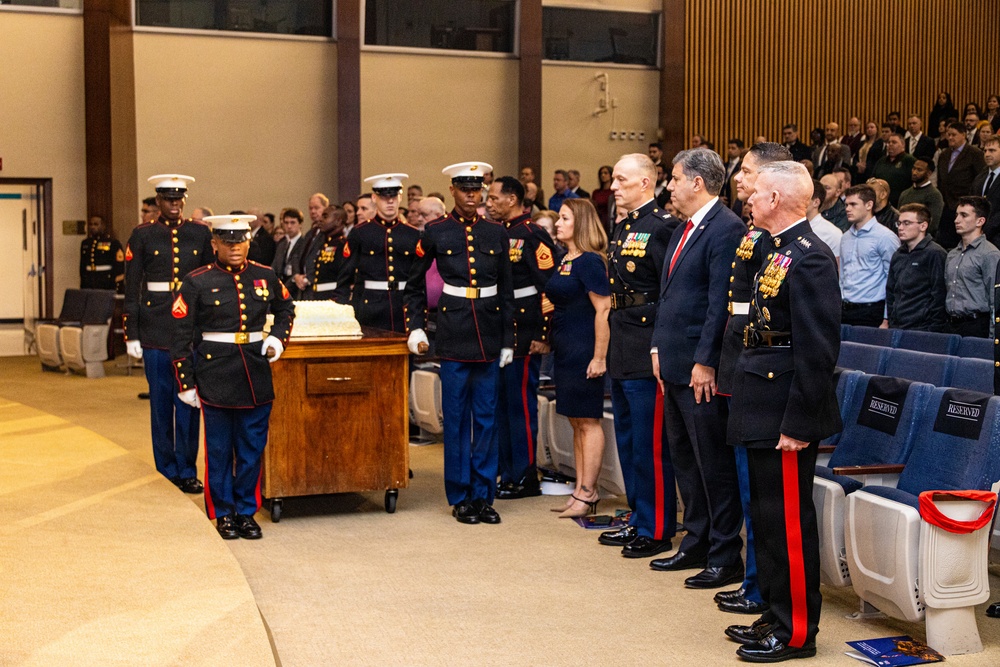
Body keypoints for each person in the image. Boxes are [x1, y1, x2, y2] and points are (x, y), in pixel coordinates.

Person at [725, 161, 842, 663]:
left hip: (786, 407)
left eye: (757, 192)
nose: (748, 197)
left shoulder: (811, 258)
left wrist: (797, 423)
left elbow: (817, 351)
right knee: (768, 519)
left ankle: (797, 631)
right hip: (761, 395)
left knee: (790, 522)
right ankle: (775, 612)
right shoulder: (777, 251)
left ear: (776, 200)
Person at [649, 148, 746, 590]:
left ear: (697, 182)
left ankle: (725, 555)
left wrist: (705, 361)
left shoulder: (726, 228)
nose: (668, 185)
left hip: (699, 368)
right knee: (685, 459)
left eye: (673, 177)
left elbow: (718, 304)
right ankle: (697, 541)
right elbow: (668, 295)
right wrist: (657, 346)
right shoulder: (683, 228)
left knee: (712, 464)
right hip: (673, 362)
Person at [170, 215, 295, 539]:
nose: (235, 248)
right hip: (215, 373)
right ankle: (223, 513)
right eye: (227, 242)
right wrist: (186, 383)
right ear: (214, 245)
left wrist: (277, 338)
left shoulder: (264, 275)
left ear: (249, 242)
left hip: (254, 371)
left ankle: (246, 511)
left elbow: (286, 309)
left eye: (240, 241)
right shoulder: (197, 281)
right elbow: (180, 333)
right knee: (220, 450)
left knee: (252, 448)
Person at [404, 161, 514, 525]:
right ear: (452, 190)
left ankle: (484, 495)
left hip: (489, 331)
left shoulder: (496, 232)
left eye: (477, 187)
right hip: (453, 332)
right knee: (456, 419)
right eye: (465, 188)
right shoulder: (436, 231)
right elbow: (414, 284)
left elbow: (508, 288)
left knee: (486, 419)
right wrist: (417, 327)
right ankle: (461, 494)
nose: (472, 194)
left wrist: (509, 339)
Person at [714, 141, 791, 616]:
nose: (738, 179)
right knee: (747, 491)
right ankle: (753, 581)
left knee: (760, 496)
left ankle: (762, 586)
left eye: (746, 172)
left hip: (759, 370)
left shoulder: (777, 243)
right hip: (739, 365)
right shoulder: (751, 232)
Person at [599, 153, 679, 558]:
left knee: (651, 444)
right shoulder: (624, 225)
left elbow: (669, 293)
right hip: (622, 338)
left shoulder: (663, 228)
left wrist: (658, 345)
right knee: (629, 439)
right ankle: (638, 516)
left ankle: (657, 525)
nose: (613, 187)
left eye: (621, 180)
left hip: (646, 341)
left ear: (646, 183)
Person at [124, 174, 214, 494]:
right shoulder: (143, 234)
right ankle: (166, 467)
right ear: (158, 201)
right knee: (161, 401)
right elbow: (131, 286)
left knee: (188, 402)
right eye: (168, 200)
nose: (174, 205)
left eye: (179, 200)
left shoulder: (200, 233)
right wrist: (131, 332)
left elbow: (209, 281)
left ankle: (187, 468)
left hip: (191, 328)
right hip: (155, 327)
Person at [485, 176, 557, 500]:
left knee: (521, 408)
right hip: (503, 332)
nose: (488, 202)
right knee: (502, 406)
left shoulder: (531, 235)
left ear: (512, 199)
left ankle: (526, 475)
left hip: (527, 333)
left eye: (494, 197)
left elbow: (549, 288)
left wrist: (544, 334)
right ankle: (507, 471)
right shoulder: (500, 234)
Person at [544, 198, 610, 516]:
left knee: (588, 420)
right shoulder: (566, 259)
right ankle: (580, 488)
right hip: (565, 348)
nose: (558, 223)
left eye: (565, 218)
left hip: (585, 348)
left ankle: (589, 491)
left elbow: (603, 309)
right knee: (575, 421)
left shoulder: (590, 261)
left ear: (580, 223)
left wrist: (599, 357)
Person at [333, 174, 421, 333]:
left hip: (403, 308)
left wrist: (419, 317)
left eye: (394, 196)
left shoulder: (412, 234)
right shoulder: (361, 233)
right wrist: (342, 312)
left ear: (400, 197)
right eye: (384, 197)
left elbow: (418, 281)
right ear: (374, 198)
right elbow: (345, 277)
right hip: (370, 308)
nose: (390, 201)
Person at [839, 184, 900, 327]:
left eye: (853, 204)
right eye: (846, 204)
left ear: (869, 205)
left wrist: (886, 318)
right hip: (844, 309)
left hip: (871, 311)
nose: (847, 209)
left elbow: (893, 279)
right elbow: (842, 275)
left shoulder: (885, 237)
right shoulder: (845, 237)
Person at [944, 196, 1000, 337]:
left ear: (980, 221)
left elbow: (995, 300)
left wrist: (993, 336)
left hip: (977, 325)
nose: (957, 220)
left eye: (964, 215)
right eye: (957, 215)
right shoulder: (952, 254)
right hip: (951, 324)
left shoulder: (990, 254)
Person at [886, 203, 947, 331]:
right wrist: (891, 320)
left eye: (907, 223)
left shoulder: (935, 253)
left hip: (923, 328)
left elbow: (939, 294)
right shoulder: (898, 254)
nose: (900, 228)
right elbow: (891, 290)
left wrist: (934, 328)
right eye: (899, 223)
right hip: (897, 326)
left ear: (923, 226)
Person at [937, 121, 987, 248]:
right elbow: (940, 180)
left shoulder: (974, 153)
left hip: (965, 205)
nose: (950, 137)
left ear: (963, 135)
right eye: (948, 134)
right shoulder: (944, 154)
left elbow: (980, 178)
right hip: (946, 206)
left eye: (954, 134)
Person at [308, 205, 349, 300]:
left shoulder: (343, 245)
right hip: (319, 296)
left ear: (338, 221)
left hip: (334, 296)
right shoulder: (325, 244)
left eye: (325, 217)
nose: (320, 220)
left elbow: (346, 275)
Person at [293, 192, 330, 293]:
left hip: (318, 285)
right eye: (310, 208)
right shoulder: (310, 233)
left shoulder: (328, 233)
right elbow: (297, 255)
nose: (313, 211)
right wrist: (296, 275)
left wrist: (308, 278)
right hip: (304, 287)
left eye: (317, 208)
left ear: (326, 208)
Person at [898, 157, 945, 235]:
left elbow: (933, 225)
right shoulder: (905, 193)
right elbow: (899, 217)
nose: (914, 172)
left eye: (919, 170)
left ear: (929, 173)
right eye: (914, 168)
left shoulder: (934, 195)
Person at [871, 128, 917, 207]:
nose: (890, 144)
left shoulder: (909, 160)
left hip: (902, 203)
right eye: (889, 142)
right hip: (881, 202)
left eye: (894, 142)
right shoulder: (881, 160)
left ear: (903, 145)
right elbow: (872, 179)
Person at [80, 215, 124, 291]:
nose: (93, 227)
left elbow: (119, 265)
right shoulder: (86, 243)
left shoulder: (113, 243)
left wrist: (115, 281)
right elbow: (82, 265)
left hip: (106, 280)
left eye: (96, 224)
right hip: (89, 280)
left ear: (103, 226)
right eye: (91, 224)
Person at [973, 136, 1000, 245]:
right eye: (985, 151)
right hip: (979, 237)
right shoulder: (980, 176)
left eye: (992, 150)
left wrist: (986, 229)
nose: (987, 154)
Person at [807, 179, 843, 262]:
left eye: (803, 198)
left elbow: (836, 269)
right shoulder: (788, 225)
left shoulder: (832, 233)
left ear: (816, 202)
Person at [272, 207, 304, 295]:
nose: (289, 226)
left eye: (292, 222)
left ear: (300, 224)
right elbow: (275, 266)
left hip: (296, 288)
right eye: (286, 223)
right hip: (280, 284)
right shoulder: (281, 244)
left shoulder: (304, 244)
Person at [591, 165, 614, 230]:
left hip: (609, 220)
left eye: (605, 173)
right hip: (597, 219)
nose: (603, 175)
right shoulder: (596, 192)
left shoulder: (613, 192)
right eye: (601, 173)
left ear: (610, 175)